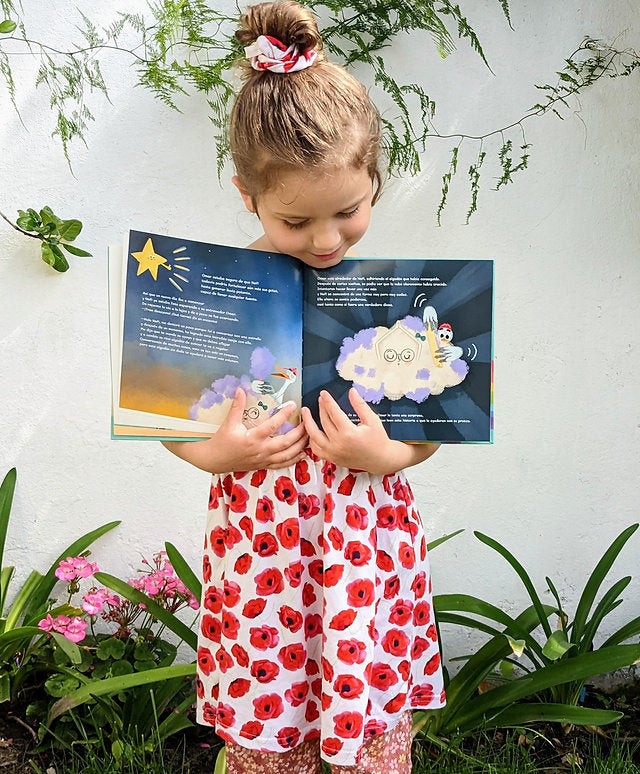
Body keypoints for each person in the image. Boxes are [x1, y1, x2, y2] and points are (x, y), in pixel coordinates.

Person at [162, 2, 445, 771]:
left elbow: (430, 427)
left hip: (362, 551)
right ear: (247, 196)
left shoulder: (398, 303)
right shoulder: (215, 293)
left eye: (348, 212)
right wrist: (214, 452)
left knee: (370, 733)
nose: (325, 239)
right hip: (265, 559)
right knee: (269, 736)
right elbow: (164, 418)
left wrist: (388, 457)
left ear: (375, 182)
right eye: (296, 221)